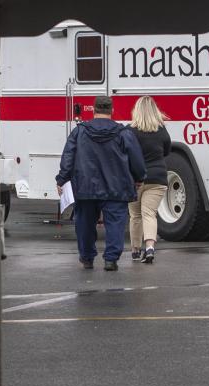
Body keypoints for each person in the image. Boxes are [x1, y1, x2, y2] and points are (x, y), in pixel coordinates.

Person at [56, 95, 147, 271]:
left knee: (84, 223)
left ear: (94, 109)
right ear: (111, 111)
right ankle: (111, 260)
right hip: (116, 187)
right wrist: (139, 178)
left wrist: (62, 179)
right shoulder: (123, 133)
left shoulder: (79, 131)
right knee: (115, 224)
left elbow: (68, 157)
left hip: (85, 187)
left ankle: (87, 257)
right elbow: (136, 160)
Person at [126, 96, 172, 264]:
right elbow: (167, 151)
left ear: (136, 111)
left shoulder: (129, 131)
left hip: (134, 180)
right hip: (157, 178)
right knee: (149, 213)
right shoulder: (162, 130)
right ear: (155, 111)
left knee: (135, 215)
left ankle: (135, 250)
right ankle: (150, 248)